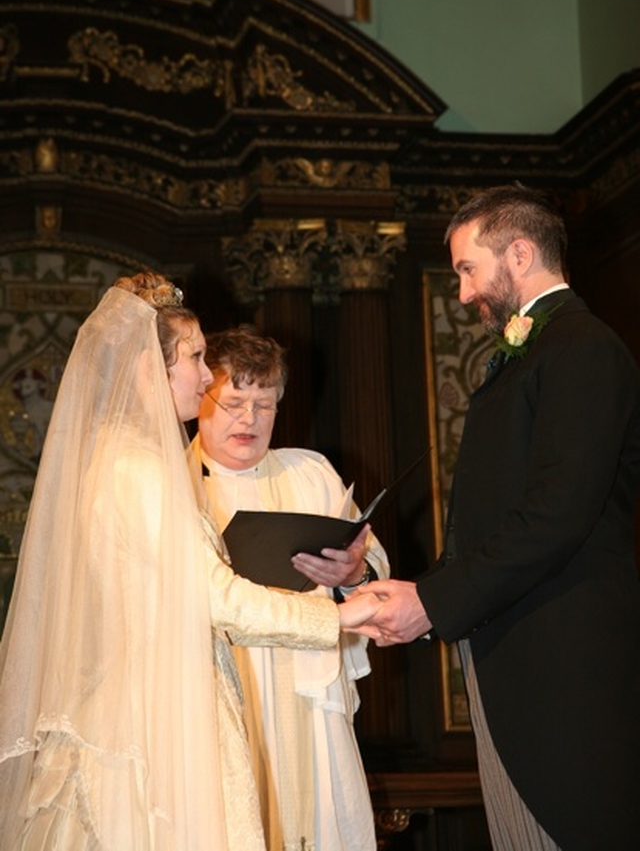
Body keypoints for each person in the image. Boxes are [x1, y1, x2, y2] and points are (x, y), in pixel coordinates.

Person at [0, 273, 378, 851]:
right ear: (152, 367)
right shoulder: (140, 470)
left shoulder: (127, 460)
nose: (206, 376)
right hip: (156, 715)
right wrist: (343, 619)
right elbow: (216, 597)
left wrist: (356, 581)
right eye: (197, 359)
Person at [351, 185, 640, 851]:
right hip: (515, 656)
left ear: (519, 252)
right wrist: (415, 594)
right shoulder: (535, 349)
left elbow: (555, 515)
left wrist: (434, 600)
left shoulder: (584, 348)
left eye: (466, 269)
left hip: (563, 671)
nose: (461, 293)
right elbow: (499, 518)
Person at [192, 326, 389, 851]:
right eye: (234, 401)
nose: (249, 420)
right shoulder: (174, 480)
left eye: (265, 404)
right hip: (215, 694)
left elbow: (373, 567)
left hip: (308, 699)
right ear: (199, 397)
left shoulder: (312, 472)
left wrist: (352, 573)